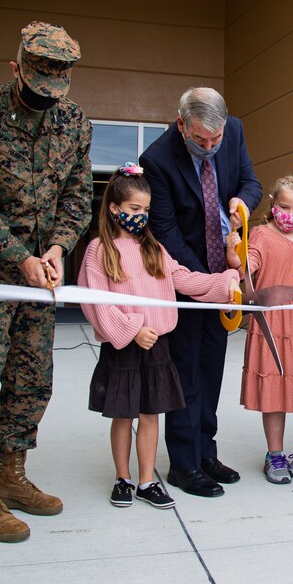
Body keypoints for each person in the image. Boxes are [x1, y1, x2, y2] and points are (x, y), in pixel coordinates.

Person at [0, 21, 92, 542]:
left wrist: (57, 248)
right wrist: (18, 256)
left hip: (37, 278)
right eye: (37, 88)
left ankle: (12, 474)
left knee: (31, 377)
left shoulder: (74, 122)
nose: (45, 99)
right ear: (17, 70)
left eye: (55, 90)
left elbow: (78, 195)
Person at [78, 164, 239, 510]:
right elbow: (95, 302)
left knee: (151, 414)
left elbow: (185, 279)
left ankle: (147, 480)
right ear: (114, 208)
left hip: (157, 347)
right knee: (124, 416)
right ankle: (123, 478)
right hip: (124, 346)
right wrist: (132, 329)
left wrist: (224, 281)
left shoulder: (155, 249)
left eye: (146, 210)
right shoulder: (99, 250)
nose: (140, 216)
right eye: (134, 209)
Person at [141, 87, 262, 497]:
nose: (209, 148)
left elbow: (251, 182)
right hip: (186, 281)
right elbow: (166, 232)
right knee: (186, 373)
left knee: (211, 370)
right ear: (181, 125)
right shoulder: (157, 159)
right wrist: (205, 282)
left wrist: (241, 203)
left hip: (225, 278)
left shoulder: (235, 131)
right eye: (199, 140)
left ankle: (205, 452)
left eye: (216, 139)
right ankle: (183, 464)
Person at [227, 176, 293, 484]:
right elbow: (245, 265)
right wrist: (234, 251)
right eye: (284, 206)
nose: (290, 214)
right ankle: (275, 453)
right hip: (273, 324)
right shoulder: (262, 235)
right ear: (273, 204)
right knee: (276, 391)